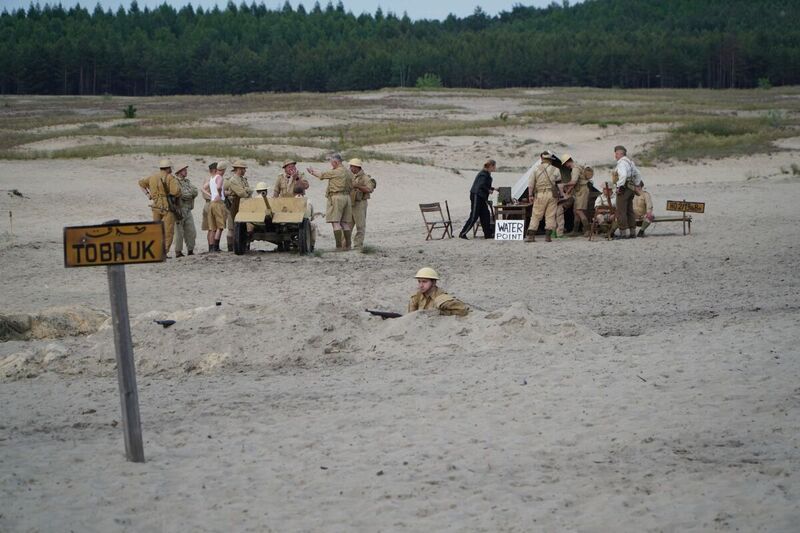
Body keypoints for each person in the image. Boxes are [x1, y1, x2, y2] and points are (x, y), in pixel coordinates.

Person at [306, 153, 353, 251]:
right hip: (347, 197)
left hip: (336, 197)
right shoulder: (348, 172)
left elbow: (322, 175)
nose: (331, 165)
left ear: (336, 162)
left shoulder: (336, 171)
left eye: (332, 163)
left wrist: (312, 172)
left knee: (335, 222)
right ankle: (348, 246)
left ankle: (339, 246)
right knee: (344, 223)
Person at [138, 159, 182, 256]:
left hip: (156, 206)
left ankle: (155, 250)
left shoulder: (152, 177)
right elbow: (175, 192)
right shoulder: (170, 177)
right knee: (168, 231)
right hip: (167, 207)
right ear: (168, 168)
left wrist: (148, 194)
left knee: (156, 230)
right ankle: (163, 252)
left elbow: (141, 183)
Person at [525, 152, 560, 242]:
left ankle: (531, 236)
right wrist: (560, 195)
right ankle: (548, 237)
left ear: (542, 159)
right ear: (550, 160)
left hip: (540, 194)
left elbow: (531, 184)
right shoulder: (556, 169)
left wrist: (530, 195)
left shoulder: (535, 169)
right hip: (552, 195)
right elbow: (559, 184)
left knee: (536, 215)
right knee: (551, 215)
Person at [458, 159, 496, 239]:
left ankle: (488, 234)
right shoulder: (483, 174)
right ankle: (463, 233)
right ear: (491, 166)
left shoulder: (486, 174)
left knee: (485, 214)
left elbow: (485, 185)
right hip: (477, 196)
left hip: (482, 197)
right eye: (494, 166)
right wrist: (488, 190)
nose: (495, 168)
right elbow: (481, 185)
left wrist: (494, 189)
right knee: (474, 215)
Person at [613, 145, 643, 239]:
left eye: (617, 154)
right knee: (630, 211)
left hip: (624, 188)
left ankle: (623, 233)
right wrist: (637, 183)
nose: (615, 156)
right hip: (631, 188)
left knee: (621, 211)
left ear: (621, 153)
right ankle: (632, 232)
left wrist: (619, 186)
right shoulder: (630, 162)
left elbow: (623, 175)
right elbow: (638, 174)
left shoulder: (622, 163)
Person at [224, 160, 253, 251]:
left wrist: (246, 190)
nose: (245, 171)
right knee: (232, 227)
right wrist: (246, 190)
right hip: (234, 204)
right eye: (243, 169)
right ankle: (231, 247)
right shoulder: (233, 180)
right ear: (239, 169)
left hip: (243, 204)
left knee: (246, 226)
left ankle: (244, 245)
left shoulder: (243, 179)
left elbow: (249, 191)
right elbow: (242, 193)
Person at [561, 154, 592, 236]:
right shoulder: (577, 167)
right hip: (578, 191)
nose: (566, 166)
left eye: (565, 164)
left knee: (579, 211)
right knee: (575, 211)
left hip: (582, 191)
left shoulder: (575, 169)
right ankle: (575, 231)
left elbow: (573, 182)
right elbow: (573, 184)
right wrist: (568, 191)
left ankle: (587, 230)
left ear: (568, 162)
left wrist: (564, 184)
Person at [348, 158, 376, 249]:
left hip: (360, 204)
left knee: (360, 226)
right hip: (350, 203)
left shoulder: (365, 178)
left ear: (358, 167)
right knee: (347, 226)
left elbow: (369, 189)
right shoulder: (350, 176)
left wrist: (358, 186)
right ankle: (345, 245)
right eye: (350, 166)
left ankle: (358, 245)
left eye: (353, 167)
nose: (351, 168)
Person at [173, 163, 198, 257]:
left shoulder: (187, 181)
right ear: (179, 172)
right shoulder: (175, 182)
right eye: (184, 170)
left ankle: (190, 250)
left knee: (191, 231)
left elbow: (195, 191)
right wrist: (189, 194)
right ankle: (178, 252)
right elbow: (182, 194)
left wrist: (190, 194)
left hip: (188, 209)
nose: (186, 171)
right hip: (179, 210)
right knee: (179, 232)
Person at [205, 161, 229, 252]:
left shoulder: (212, 177)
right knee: (220, 226)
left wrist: (210, 195)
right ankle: (216, 247)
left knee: (212, 227)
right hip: (219, 203)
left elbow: (203, 188)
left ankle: (211, 248)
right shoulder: (220, 177)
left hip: (211, 203)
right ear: (223, 169)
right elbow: (219, 187)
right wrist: (219, 194)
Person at [294, 185, 317, 250]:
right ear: (303, 192)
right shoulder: (308, 201)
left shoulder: (291, 201)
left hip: (293, 221)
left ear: (294, 193)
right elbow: (312, 217)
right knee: (313, 227)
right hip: (305, 222)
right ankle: (312, 246)